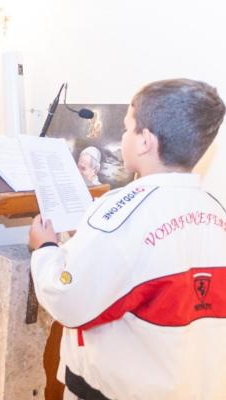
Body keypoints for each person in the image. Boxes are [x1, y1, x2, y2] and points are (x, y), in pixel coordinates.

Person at [28, 79, 226, 400]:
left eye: (127, 128)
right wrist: (89, 240)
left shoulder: (121, 211)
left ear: (145, 141)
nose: (122, 137)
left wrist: (46, 248)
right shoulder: (215, 210)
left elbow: (69, 299)